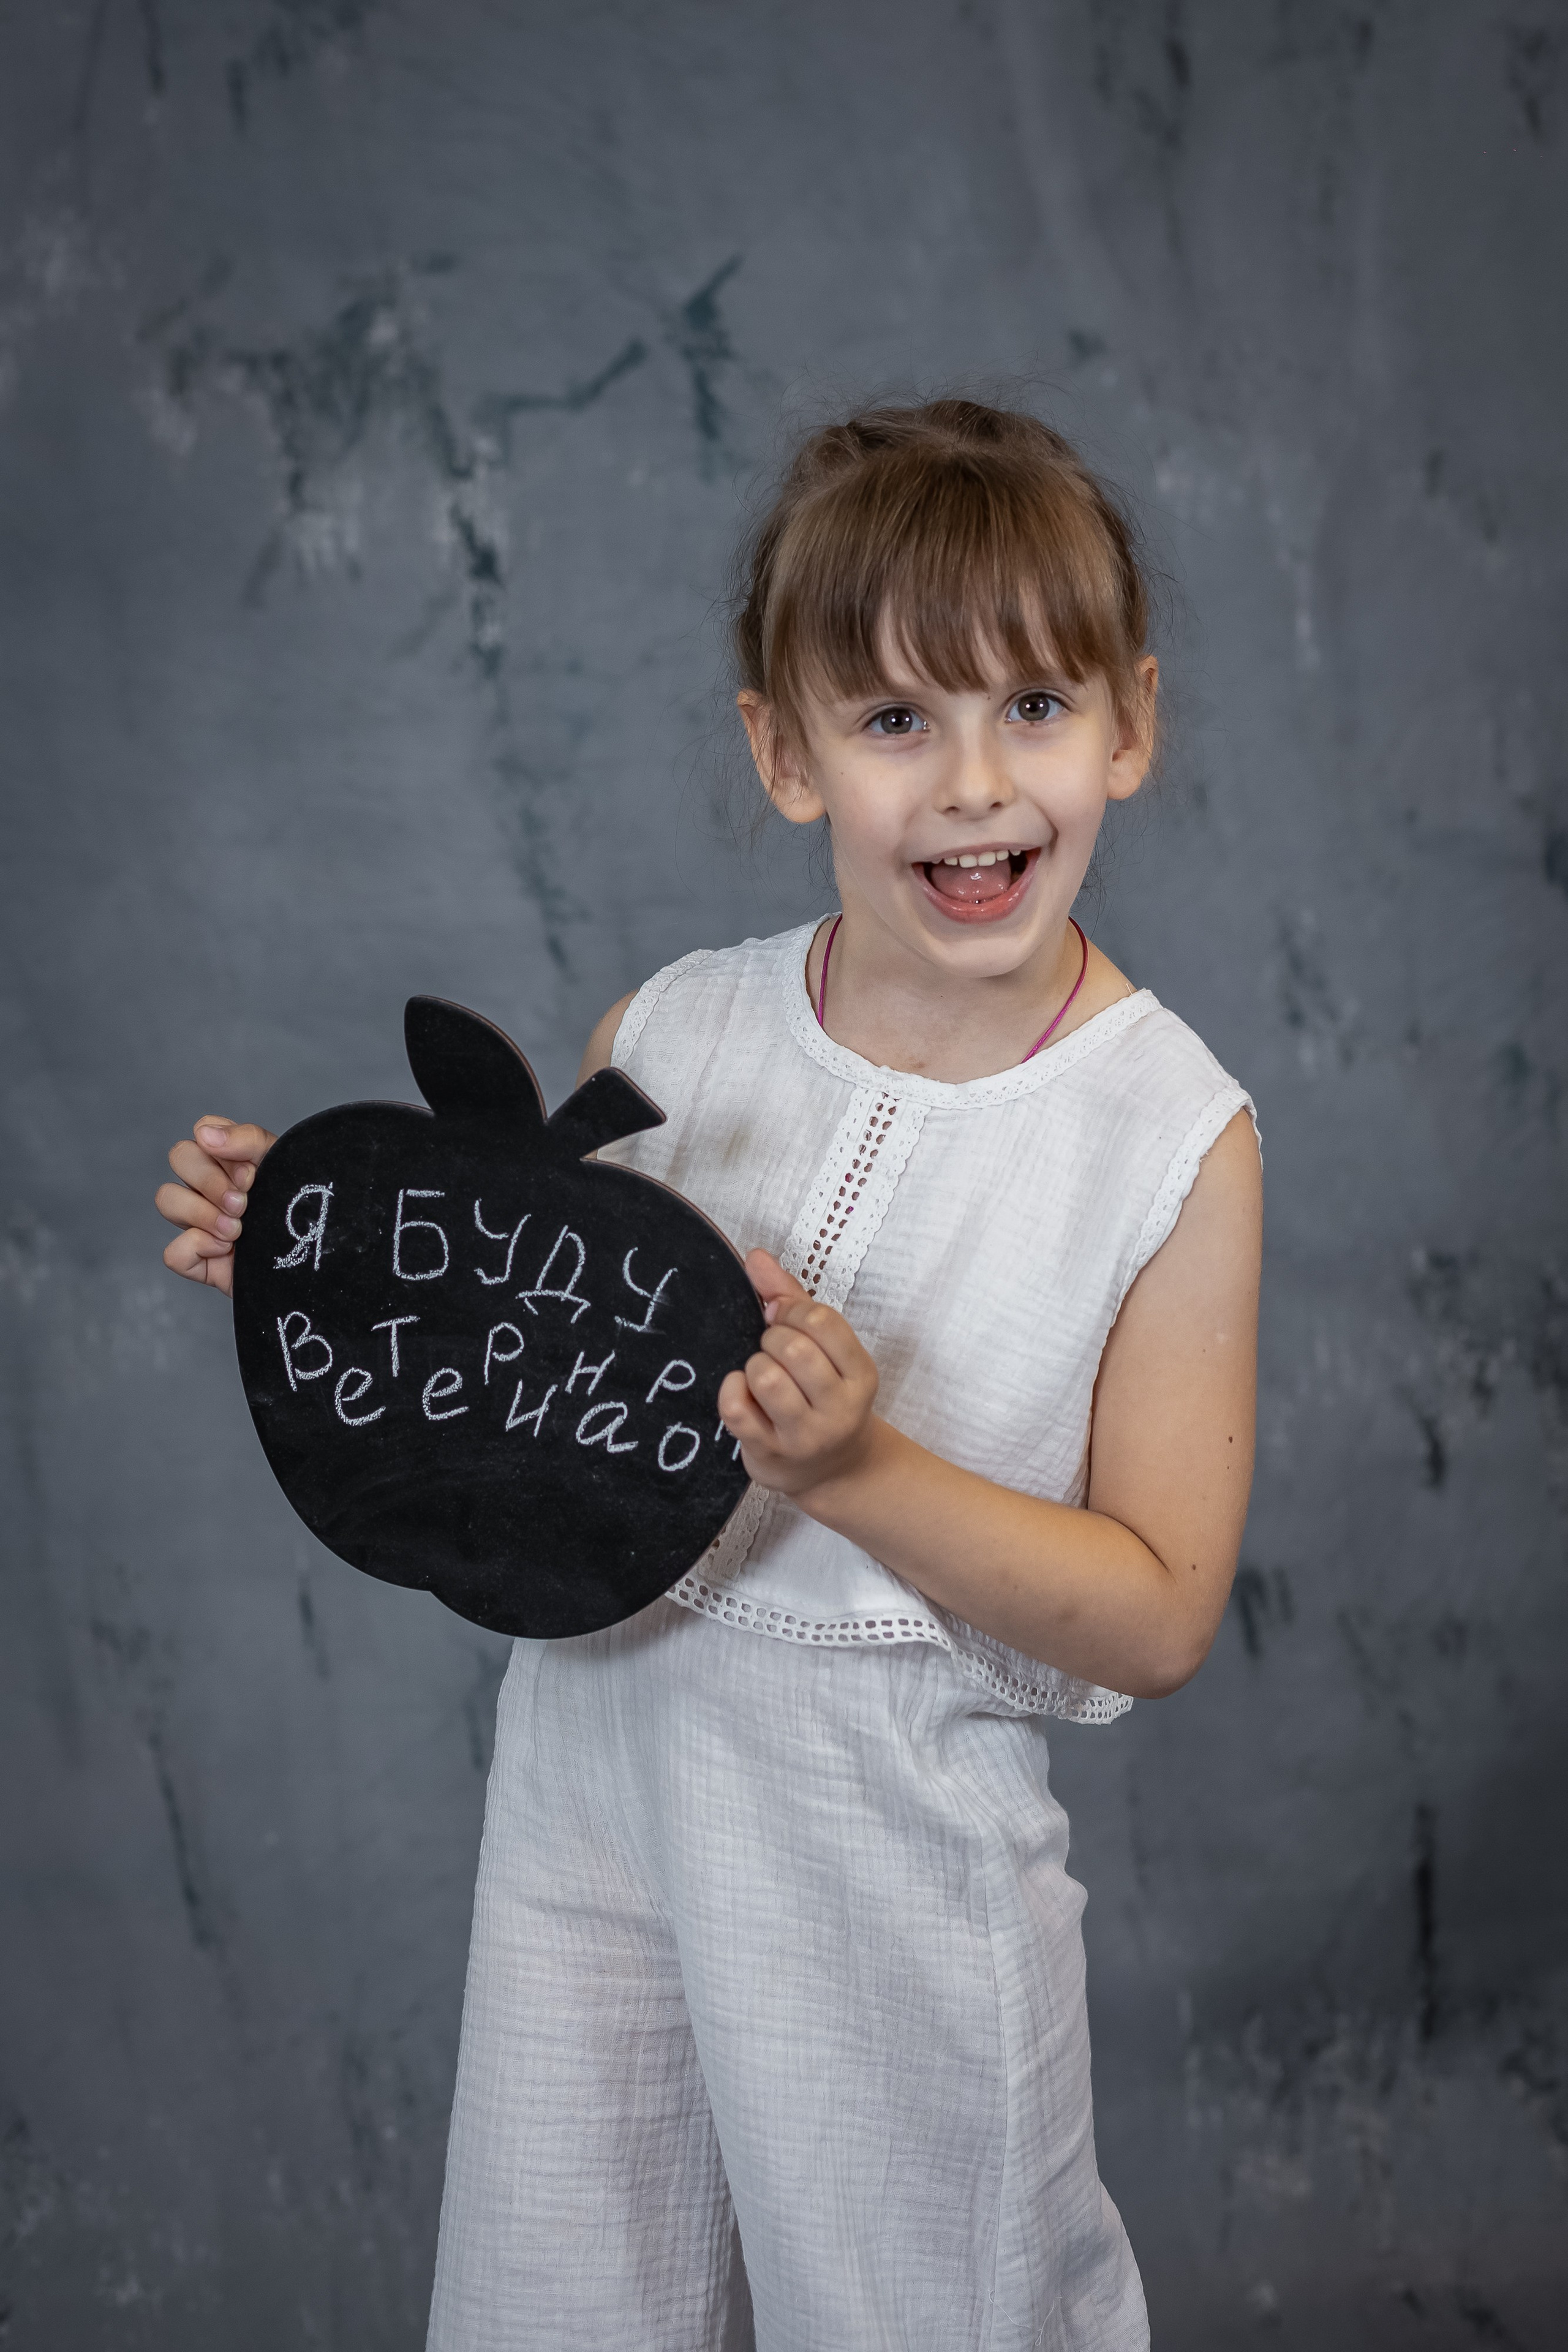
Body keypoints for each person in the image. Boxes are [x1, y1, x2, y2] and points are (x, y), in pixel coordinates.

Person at [156, 399, 1262, 2350]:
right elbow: (529, 1372)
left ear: (1131, 726)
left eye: (1033, 706)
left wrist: (861, 1475)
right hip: (597, 1793)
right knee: (564, 2295)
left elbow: (1163, 1613)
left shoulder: (1169, 1138)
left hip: (892, 1854)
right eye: (896, 718)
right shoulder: (674, 1035)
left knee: (933, 2312)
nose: (974, 783)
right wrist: (330, 1248)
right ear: (784, 750)